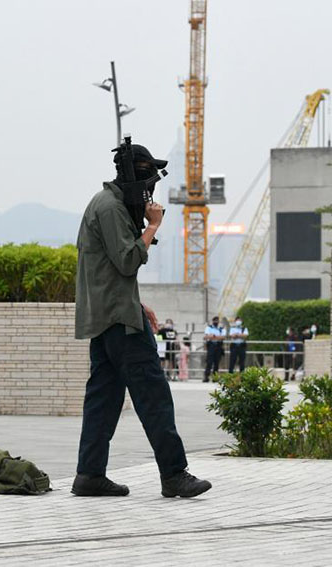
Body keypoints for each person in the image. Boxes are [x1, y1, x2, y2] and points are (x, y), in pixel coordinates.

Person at [72, 136, 212, 499]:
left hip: (108, 316)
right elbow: (128, 260)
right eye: (148, 178)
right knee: (153, 394)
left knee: (103, 399)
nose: (151, 190)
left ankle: (89, 474)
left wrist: (138, 302)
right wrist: (152, 227)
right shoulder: (112, 208)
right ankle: (174, 474)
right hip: (120, 323)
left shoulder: (104, 203)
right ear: (134, 175)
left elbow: (110, 271)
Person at [203, 316, 224, 382]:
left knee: (216, 363)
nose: (216, 322)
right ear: (213, 321)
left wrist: (213, 336)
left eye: (217, 320)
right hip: (211, 346)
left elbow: (223, 337)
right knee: (209, 362)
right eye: (215, 320)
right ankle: (206, 377)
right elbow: (206, 336)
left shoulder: (220, 328)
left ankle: (215, 378)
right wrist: (216, 337)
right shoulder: (209, 327)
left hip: (218, 346)